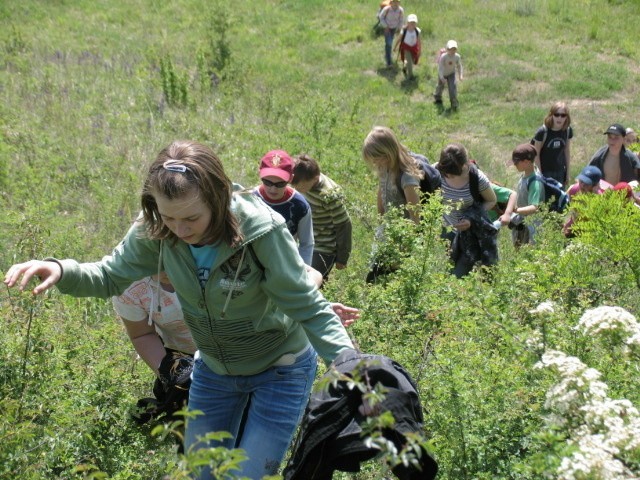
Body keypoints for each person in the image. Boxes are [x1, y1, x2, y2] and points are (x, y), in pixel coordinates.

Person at [5, 140, 355, 480]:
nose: (180, 229)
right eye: (169, 217)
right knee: (201, 471)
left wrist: (351, 365)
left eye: (191, 218)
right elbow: (109, 275)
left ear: (218, 200)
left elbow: (306, 305)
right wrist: (62, 269)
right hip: (215, 371)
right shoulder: (157, 229)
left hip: (280, 369)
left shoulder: (260, 230)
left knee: (246, 475)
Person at [362, 126, 424, 282]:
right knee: (374, 278)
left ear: (387, 154)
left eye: (376, 158)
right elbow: (382, 191)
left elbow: (416, 217)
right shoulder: (385, 166)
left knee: (391, 281)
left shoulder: (407, 178)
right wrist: (381, 222)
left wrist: (406, 248)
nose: (374, 163)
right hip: (387, 232)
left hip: (403, 238)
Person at [435, 144, 498, 278]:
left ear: (465, 164)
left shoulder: (477, 179)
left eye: (453, 173)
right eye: (446, 173)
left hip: (470, 234)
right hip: (447, 230)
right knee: (449, 267)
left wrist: (471, 218)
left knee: (456, 276)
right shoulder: (436, 171)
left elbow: (491, 201)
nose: (449, 176)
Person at [291, 154, 353, 282]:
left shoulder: (329, 195)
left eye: (300, 186)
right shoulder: (304, 180)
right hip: (304, 241)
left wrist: (342, 257)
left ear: (315, 179)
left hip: (324, 247)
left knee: (308, 281)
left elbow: (344, 225)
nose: (297, 189)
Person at [253, 149, 314, 266]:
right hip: (254, 263)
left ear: (290, 179)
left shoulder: (299, 205)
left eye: (280, 184)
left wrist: (304, 273)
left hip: (285, 263)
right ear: (260, 174)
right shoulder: (251, 199)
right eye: (267, 182)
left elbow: (306, 243)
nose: (273, 189)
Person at [510, 143, 545, 246]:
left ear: (526, 162)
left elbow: (535, 207)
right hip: (523, 222)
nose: (514, 165)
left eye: (516, 162)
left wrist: (515, 210)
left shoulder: (535, 182)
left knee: (530, 253)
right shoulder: (525, 175)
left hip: (532, 226)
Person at [532, 101, 574, 187]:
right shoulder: (543, 132)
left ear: (567, 117)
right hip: (544, 172)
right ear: (551, 115)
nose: (559, 118)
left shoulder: (567, 131)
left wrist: (567, 173)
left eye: (563, 115)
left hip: (560, 171)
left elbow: (567, 151)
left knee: (560, 199)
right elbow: (536, 154)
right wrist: (540, 176)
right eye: (556, 114)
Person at [562, 165, 611, 237]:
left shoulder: (601, 200)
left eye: (587, 183)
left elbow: (602, 225)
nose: (582, 185)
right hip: (575, 228)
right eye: (581, 181)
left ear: (595, 185)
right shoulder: (573, 190)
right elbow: (573, 214)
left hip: (592, 233)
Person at [433, 39, 463, 110]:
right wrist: (442, 77)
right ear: (447, 49)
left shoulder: (457, 57)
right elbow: (440, 68)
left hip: (451, 74)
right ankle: (438, 98)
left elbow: (459, 66)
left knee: (452, 88)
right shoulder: (443, 57)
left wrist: (460, 75)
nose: (452, 51)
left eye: (454, 49)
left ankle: (454, 103)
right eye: (450, 49)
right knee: (440, 86)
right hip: (443, 74)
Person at [394, 13, 421, 80]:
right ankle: (410, 76)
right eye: (411, 22)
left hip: (414, 47)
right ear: (407, 23)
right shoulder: (404, 30)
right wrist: (395, 47)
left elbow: (419, 41)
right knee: (410, 62)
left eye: (414, 23)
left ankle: (405, 66)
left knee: (412, 60)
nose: (412, 24)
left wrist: (420, 50)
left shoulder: (417, 31)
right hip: (406, 47)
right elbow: (399, 38)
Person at [377, 0, 404, 68]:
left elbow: (401, 20)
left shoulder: (400, 10)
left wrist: (399, 28)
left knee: (390, 42)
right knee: (389, 43)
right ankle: (389, 62)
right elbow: (381, 17)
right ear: (391, 3)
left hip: (394, 28)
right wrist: (385, 26)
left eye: (397, 2)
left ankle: (387, 53)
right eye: (394, 2)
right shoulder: (387, 9)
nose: (395, 3)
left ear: (399, 3)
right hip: (387, 28)